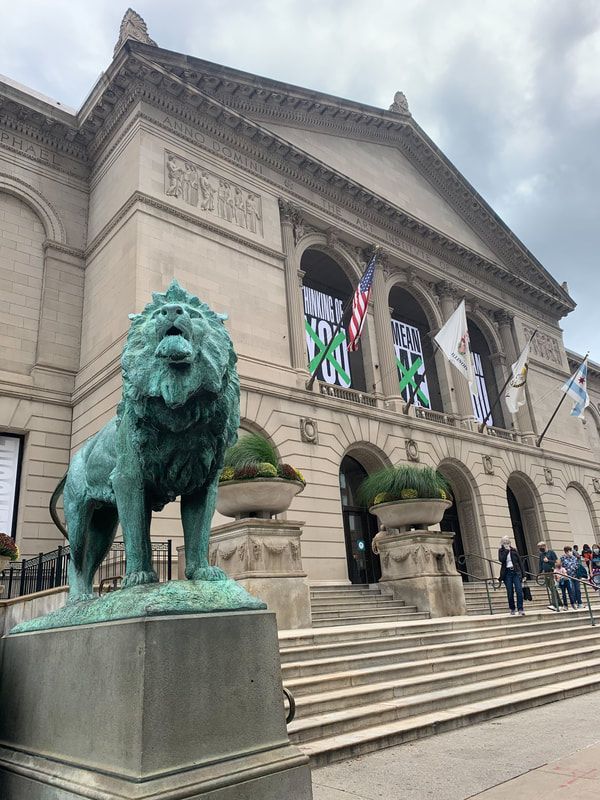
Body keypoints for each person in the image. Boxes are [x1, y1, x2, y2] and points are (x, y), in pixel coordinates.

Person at [498, 536, 525, 616]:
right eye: (504, 541)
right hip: (507, 574)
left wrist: (524, 574)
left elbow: (520, 562)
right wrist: (506, 551)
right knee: (510, 592)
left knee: (519, 591)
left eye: (507, 541)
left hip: (516, 572)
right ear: (502, 543)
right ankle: (512, 608)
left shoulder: (514, 550)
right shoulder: (501, 551)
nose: (506, 542)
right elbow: (501, 559)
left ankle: (520, 609)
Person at [538, 541, 560, 610]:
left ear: (544, 546)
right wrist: (539, 573)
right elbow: (540, 564)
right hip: (546, 573)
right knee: (551, 588)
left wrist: (548, 561)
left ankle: (554, 604)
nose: (540, 549)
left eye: (541, 547)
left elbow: (556, 562)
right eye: (539, 547)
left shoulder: (551, 553)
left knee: (553, 587)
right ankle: (559, 603)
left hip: (552, 572)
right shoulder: (541, 555)